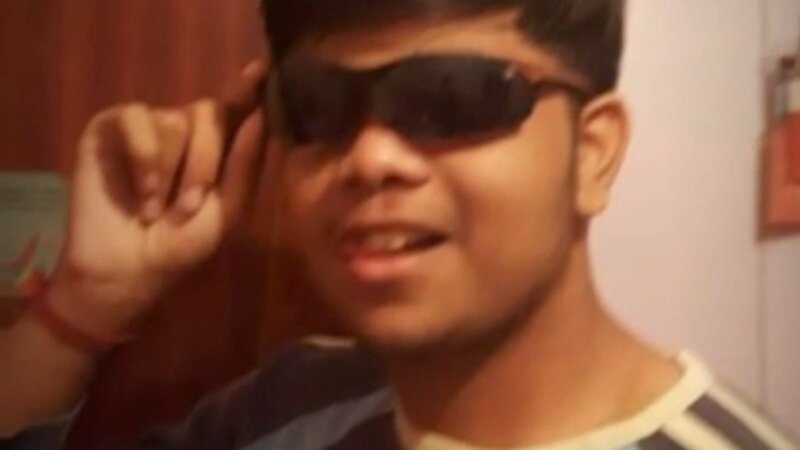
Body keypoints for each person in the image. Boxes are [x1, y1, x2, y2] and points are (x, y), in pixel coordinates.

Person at [1, 0, 797, 448]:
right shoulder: (287, 409)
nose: (370, 157)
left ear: (593, 153)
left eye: (450, 96)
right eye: (316, 107)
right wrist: (85, 303)